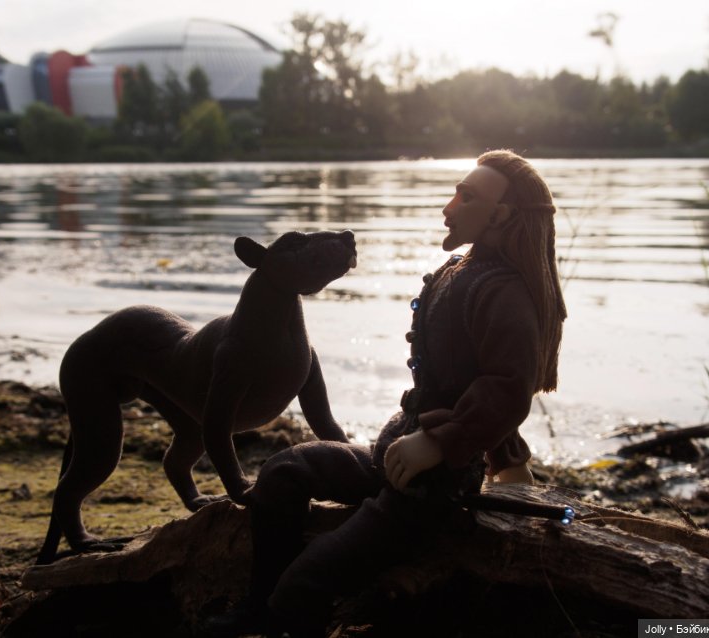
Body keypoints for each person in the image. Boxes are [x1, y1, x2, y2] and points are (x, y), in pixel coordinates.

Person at [204, 149, 567, 637]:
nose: (450, 205)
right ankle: (259, 605)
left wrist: (444, 441)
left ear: (500, 215)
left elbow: (508, 388)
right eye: (456, 191)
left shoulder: (503, 293)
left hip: (434, 484)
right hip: (396, 455)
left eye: (467, 196)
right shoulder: (459, 270)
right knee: (285, 470)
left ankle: (284, 613)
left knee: (304, 585)